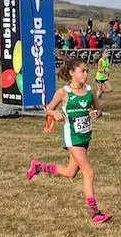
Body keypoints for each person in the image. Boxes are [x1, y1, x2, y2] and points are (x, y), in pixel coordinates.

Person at [26, 58, 112, 225]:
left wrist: (96, 113)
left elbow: (98, 109)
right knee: (89, 172)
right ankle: (95, 214)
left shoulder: (89, 90)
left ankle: (38, 166)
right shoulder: (63, 92)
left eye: (87, 71)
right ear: (72, 73)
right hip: (71, 136)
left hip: (85, 136)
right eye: (83, 71)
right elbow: (48, 109)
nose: (86, 74)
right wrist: (55, 114)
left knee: (70, 172)